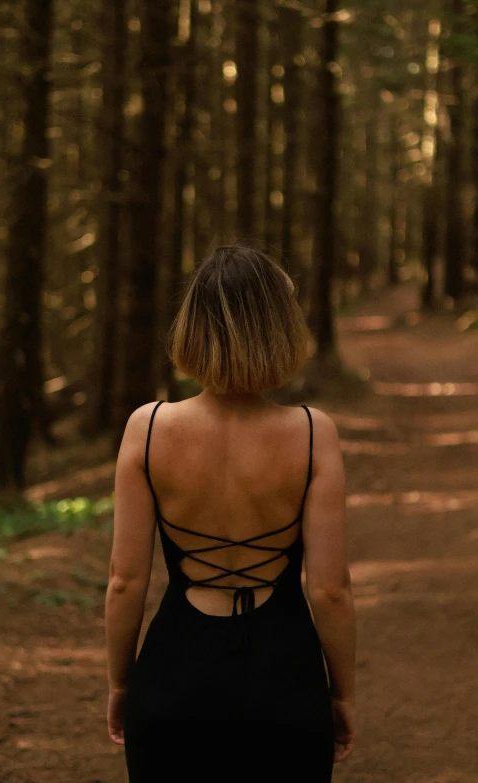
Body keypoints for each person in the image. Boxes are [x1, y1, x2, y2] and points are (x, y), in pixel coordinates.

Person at [105, 245, 357, 782]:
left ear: (192, 326)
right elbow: (330, 589)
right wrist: (343, 693)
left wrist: (120, 684)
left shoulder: (147, 428)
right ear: (280, 329)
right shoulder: (313, 433)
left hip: (172, 681)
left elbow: (126, 581)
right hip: (285, 684)